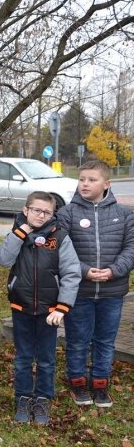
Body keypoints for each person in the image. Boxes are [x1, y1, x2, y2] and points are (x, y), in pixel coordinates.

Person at [0, 191, 80, 425]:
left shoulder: (60, 238)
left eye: (46, 212)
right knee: (23, 358)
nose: (41, 216)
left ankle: (42, 398)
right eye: (36, 210)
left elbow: (72, 273)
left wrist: (61, 308)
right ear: (26, 210)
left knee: (46, 359)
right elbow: (2, 259)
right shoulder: (18, 234)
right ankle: (23, 397)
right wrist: (20, 234)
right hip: (21, 307)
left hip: (49, 312)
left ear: (53, 214)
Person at [57, 161, 134, 408]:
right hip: (79, 292)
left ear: (106, 184)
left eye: (91, 179)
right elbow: (59, 249)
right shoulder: (67, 214)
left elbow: (131, 248)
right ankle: (77, 383)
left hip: (112, 292)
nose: (85, 184)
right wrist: (83, 271)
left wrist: (114, 270)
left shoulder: (124, 214)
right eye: (81, 179)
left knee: (105, 340)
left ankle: (100, 383)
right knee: (78, 339)